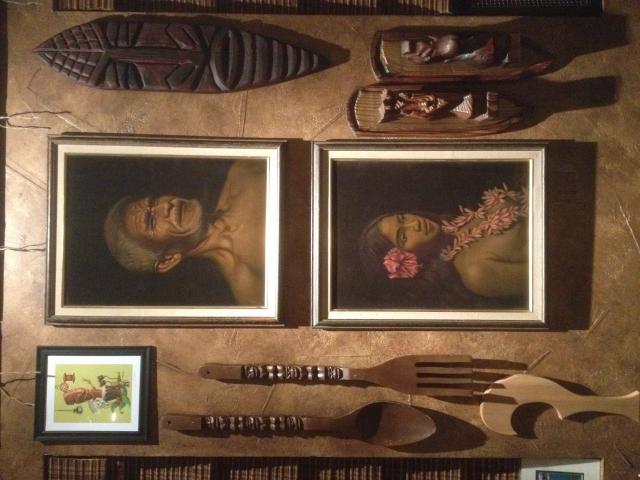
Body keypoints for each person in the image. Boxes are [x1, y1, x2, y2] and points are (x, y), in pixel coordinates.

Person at [103, 160, 266, 306]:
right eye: (151, 221)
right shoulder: (253, 293)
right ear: (168, 260)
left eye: (153, 201)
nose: (165, 206)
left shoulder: (243, 171)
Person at [358, 184, 528, 309]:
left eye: (402, 218)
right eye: (403, 236)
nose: (414, 224)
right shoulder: (475, 273)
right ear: (407, 261)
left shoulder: (459, 222)